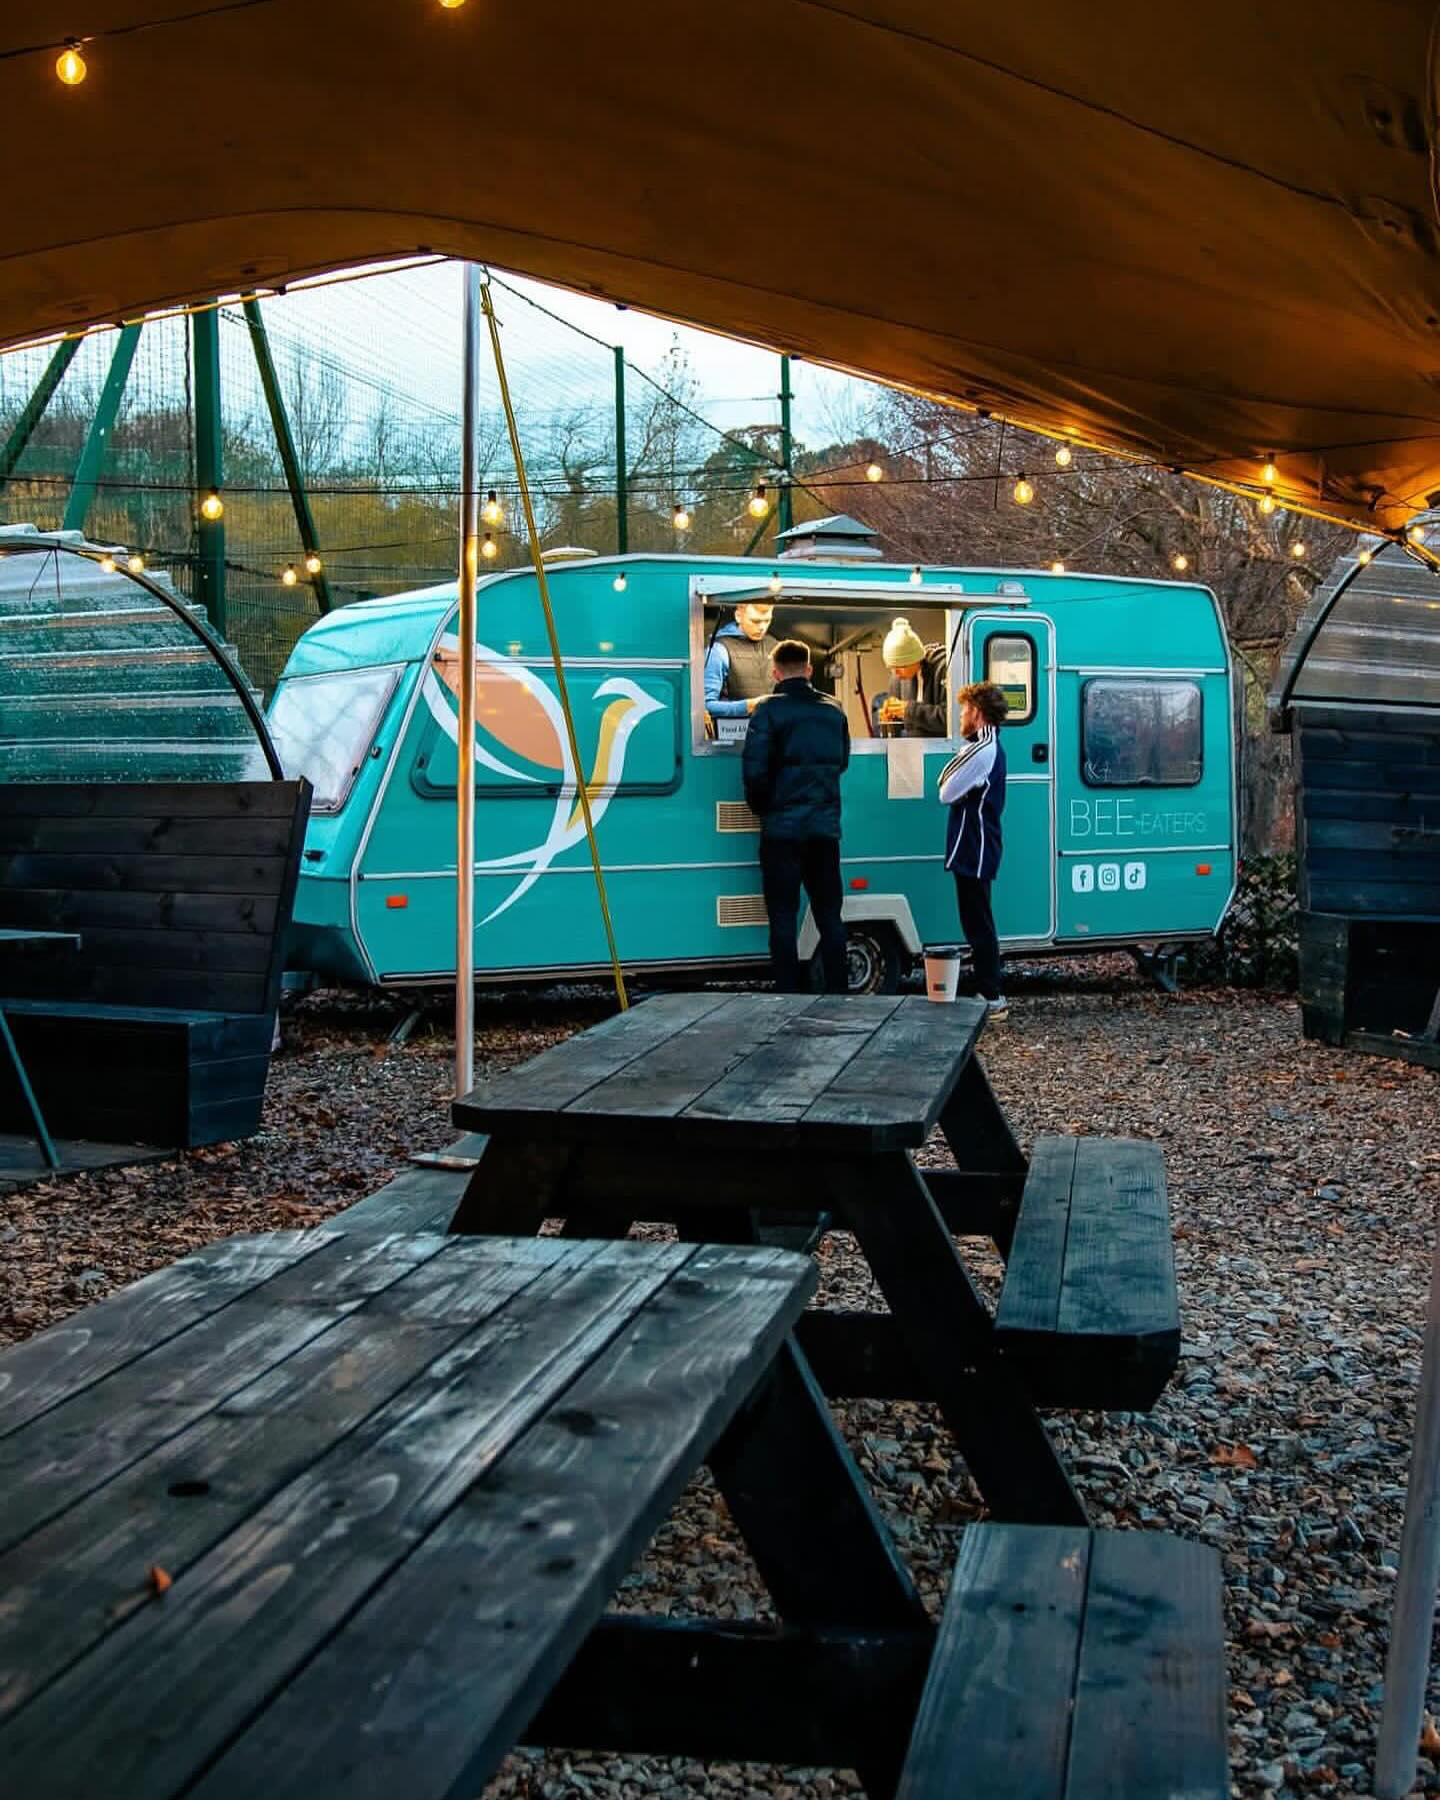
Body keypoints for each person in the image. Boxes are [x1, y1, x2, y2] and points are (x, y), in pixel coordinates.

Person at [742, 637, 850, 993]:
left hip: (782, 834)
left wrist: (766, 810)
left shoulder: (767, 711)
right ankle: (838, 991)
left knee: (784, 917)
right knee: (830, 917)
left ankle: (787, 994)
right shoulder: (834, 710)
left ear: (775, 673)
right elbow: (842, 762)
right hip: (824, 832)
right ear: (808, 669)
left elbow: (754, 773)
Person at [937, 680, 1010, 1019]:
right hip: (975, 843)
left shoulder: (981, 749)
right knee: (976, 918)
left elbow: (945, 790)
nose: (961, 715)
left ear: (978, 713)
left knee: (978, 921)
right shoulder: (984, 747)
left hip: (975, 844)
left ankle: (992, 996)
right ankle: (989, 989)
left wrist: (957, 780)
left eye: (965, 710)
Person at [704, 601, 778, 723]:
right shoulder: (718, 650)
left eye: (767, 621)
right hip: (733, 732)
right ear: (738, 616)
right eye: (755, 621)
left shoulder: (774, 646)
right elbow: (705, 705)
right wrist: (747, 706)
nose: (762, 627)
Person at [875, 616, 948, 737]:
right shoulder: (897, 679)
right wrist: (889, 720)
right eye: (891, 667)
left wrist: (909, 710)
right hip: (912, 747)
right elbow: (900, 728)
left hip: (942, 747)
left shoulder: (943, 668)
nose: (896, 673)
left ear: (916, 659)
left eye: (901, 667)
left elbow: (951, 718)